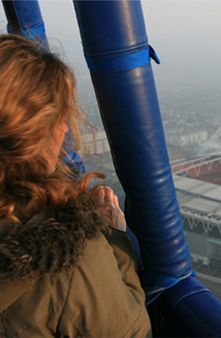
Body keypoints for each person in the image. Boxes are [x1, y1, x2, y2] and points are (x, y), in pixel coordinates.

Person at [0, 34, 151, 337]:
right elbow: (131, 332)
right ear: (44, 136)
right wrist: (116, 242)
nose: (66, 128)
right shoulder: (70, 262)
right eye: (60, 118)